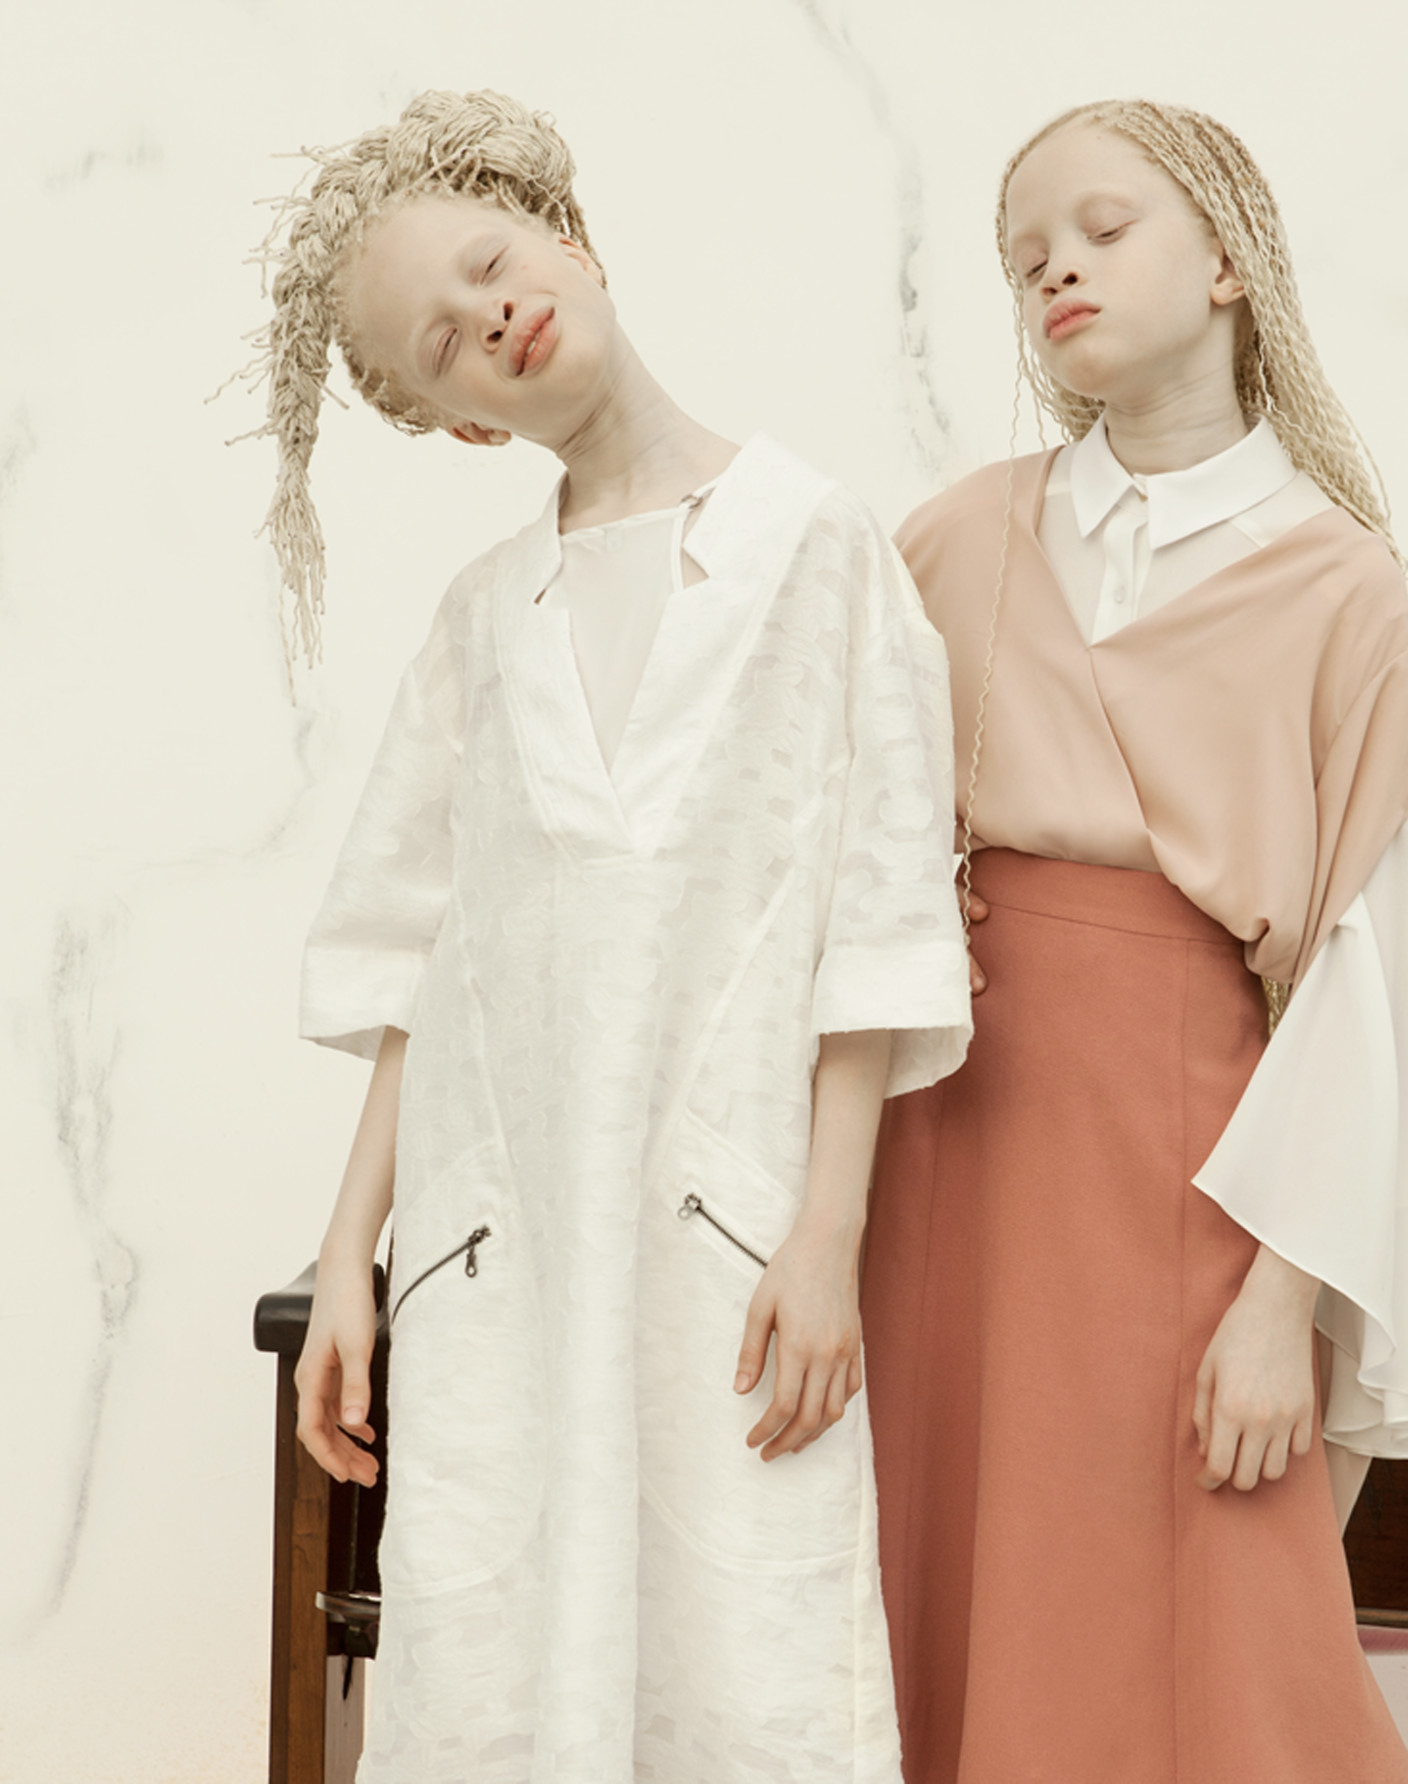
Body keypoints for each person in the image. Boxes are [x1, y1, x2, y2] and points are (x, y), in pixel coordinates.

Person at [251, 89, 971, 1784]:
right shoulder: (482, 625)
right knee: (497, 1671)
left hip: (730, 1237)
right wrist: (350, 1253)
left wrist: (827, 1236)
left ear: (568, 236)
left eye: (489, 262)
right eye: (443, 345)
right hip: (499, 1263)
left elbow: (877, 920)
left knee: (746, 1671)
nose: (489, 316)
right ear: (460, 424)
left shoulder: (818, 549)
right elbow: (421, 965)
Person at [860, 99, 1408, 1782]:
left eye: (1102, 229)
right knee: (935, 1588)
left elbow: (1369, 972)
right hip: (945, 1149)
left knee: (1209, 1629)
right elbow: (826, 851)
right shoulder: (955, 542)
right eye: (1025, 259)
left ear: (1228, 261)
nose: (1054, 272)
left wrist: (1284, 1299)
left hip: (1199, 1170)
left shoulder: (1341, 587)